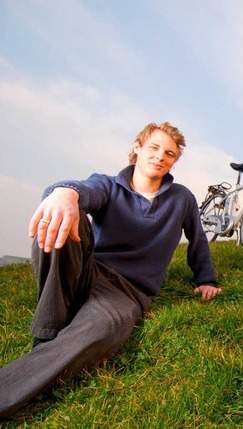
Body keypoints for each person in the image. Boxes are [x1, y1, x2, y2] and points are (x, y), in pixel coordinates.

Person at [0, 122, 221, 418]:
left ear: (173, 161)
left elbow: (198, 239)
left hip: (125, 292)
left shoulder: (182, 199)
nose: (160, 156)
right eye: (154, 148)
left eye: (169, 153)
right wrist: (65, 193)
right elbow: (86, 191)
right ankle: (48, 331)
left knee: (99, 331)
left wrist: (205, 278)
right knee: (67, 210)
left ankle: (29, 367)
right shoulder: (108, 185)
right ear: (138, 148)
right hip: (85, 271)